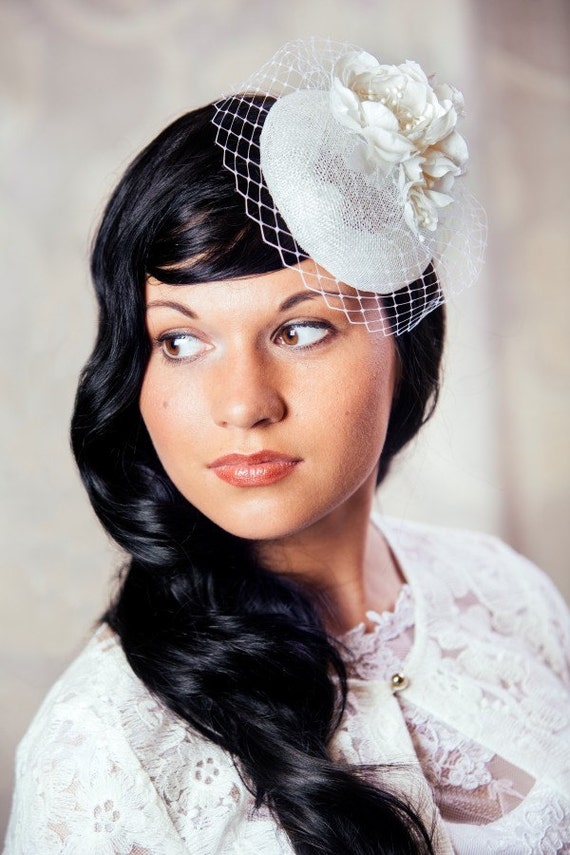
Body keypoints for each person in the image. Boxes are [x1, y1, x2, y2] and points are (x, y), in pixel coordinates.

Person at [4, 38, 569, 855]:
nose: (243, 404)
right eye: (182, 343)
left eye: (302, 329)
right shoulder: (103, 749)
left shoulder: (507, 594)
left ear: (404, 339)